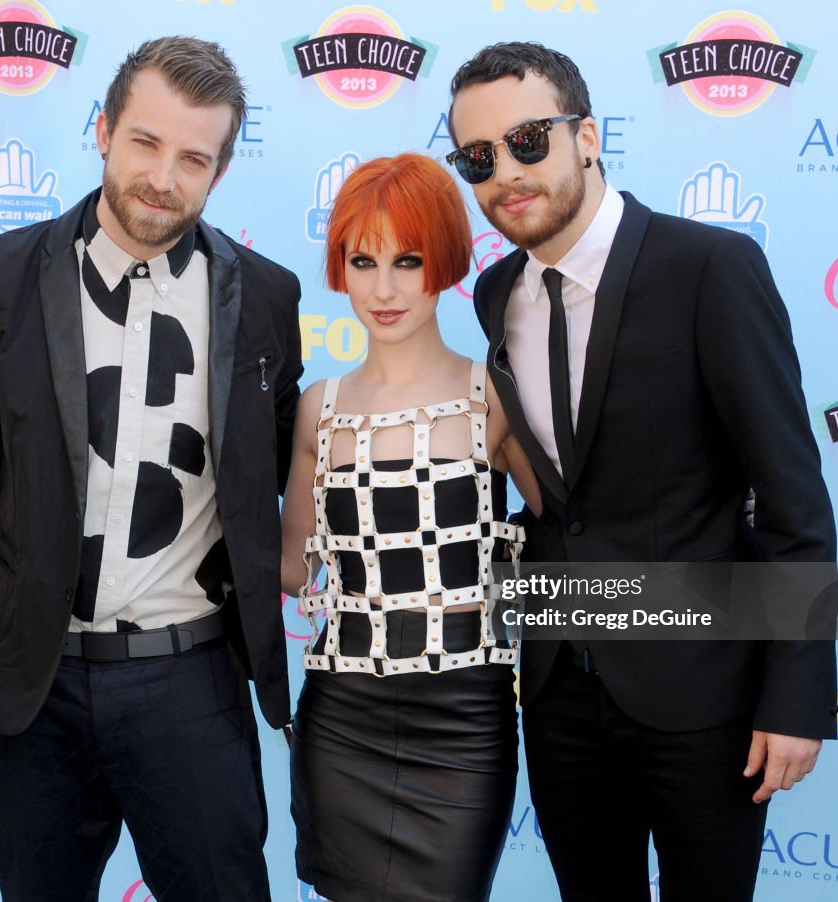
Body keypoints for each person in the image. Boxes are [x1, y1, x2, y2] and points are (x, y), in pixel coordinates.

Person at [446, 42, 837, 902]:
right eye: (478, 157)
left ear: (586, 137)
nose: (505, 172)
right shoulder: (495, 293)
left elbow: (793, 497)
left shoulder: (710, 268)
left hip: (706, 698)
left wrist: (798, 698)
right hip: (556, 696)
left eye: (527, 140)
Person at [0, 36, 302, 902]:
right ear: (101, 130)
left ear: (220, 170)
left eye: (193, 158)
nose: (163, 176)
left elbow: (277, 477)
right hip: (35, 688)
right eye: (145, 142)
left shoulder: (270, 300)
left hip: (190, 678)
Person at [280, 152, 540, 902]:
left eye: (409, 259)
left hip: (465, 717)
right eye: (363, 261)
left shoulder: (490, 391)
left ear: (448, 261)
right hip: (341, 718)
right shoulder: (316, 409)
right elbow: (292, 571)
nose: (385, 288)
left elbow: (573, 526)